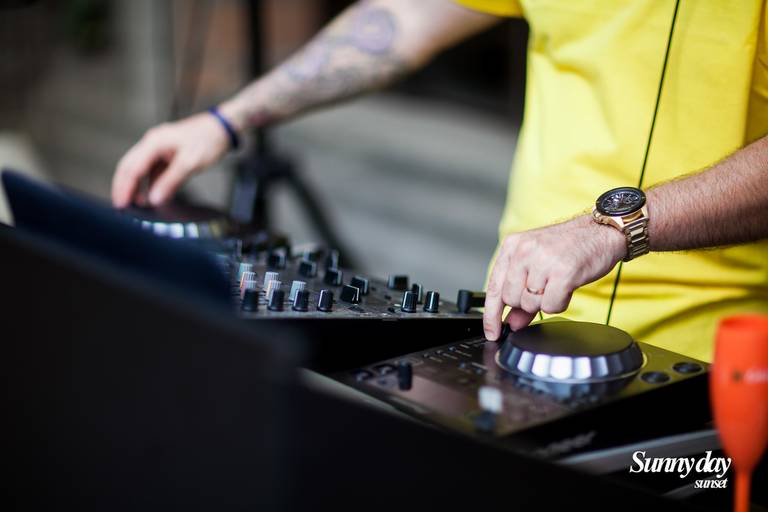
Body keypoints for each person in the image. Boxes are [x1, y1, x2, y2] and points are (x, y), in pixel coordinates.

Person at [112, 0, 768, 362]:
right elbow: (403, 19)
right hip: (523, 322)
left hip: (716, 360)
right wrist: (228, 119)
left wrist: (613, 229)